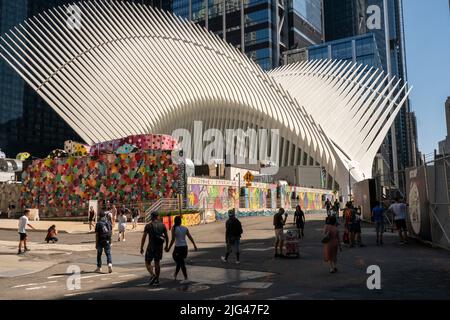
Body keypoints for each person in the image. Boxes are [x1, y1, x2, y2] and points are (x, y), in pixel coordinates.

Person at [166, 216, 198, 283]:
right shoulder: (185, 228)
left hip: (178, 247)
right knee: (180, 261)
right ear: (180, 221)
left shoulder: (174, 228)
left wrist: (168, 248)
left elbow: (172, 240)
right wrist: (194, 245)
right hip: (185, 247)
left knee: (179, 260)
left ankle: (186, 278)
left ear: (175, 221)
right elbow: (190, 237)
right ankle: (175, 275)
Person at [141, 212, 169, 286]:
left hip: (151, 247)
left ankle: (153, 275)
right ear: (158, 217)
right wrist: (167, 246)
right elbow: (166, 236)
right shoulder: (162, 225)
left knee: (147, 262)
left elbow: (144, 237)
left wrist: (141, 247)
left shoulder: (148, 225)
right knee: (157, 263)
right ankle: (157, 279)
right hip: (159, 247)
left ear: (151, 217)